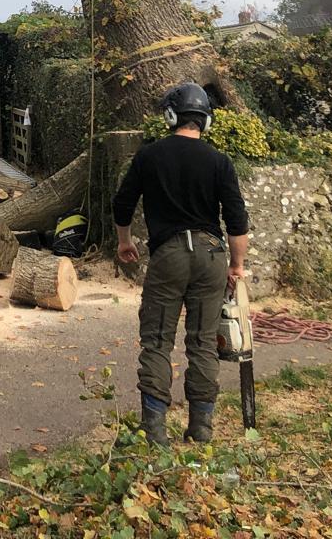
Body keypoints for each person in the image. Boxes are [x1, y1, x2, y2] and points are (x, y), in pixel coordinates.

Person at [112, 82, 250, 446]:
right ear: (206, 120)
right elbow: (237, 221)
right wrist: (236, 266)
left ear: (171, 116)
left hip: (169, 255)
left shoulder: (150, 156)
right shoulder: (220, 161)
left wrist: (125, 241)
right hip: (211, 255)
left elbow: (122, 204)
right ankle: (201, 427)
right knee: (204, 342)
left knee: (157, 340)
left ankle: (155, 430)